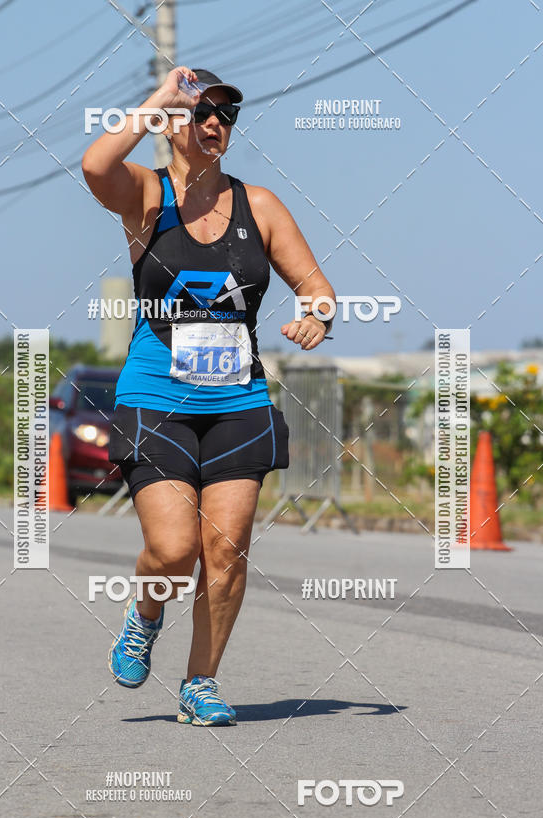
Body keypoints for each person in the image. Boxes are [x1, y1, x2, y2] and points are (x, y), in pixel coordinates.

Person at [82, 66, 335, 726]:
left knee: (226, 548)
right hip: (157, 395)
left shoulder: (262, 206)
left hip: (238, 403)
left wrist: (318, 315)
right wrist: (161, 99)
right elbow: (95, 162)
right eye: (203, 112)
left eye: (227, 113)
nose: (217, 122)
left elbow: (318, 287)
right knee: (173, 551)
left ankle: (202, 682)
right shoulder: (145, 195)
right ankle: (145, 614)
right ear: (172, 124)